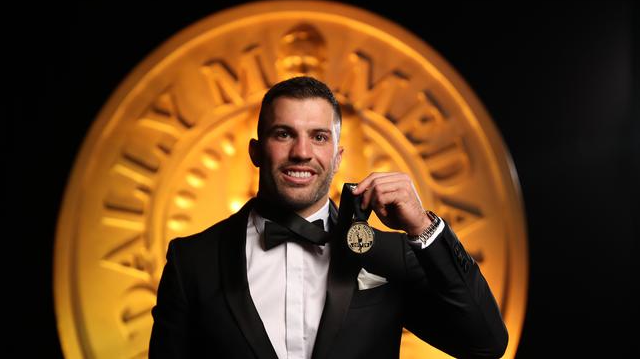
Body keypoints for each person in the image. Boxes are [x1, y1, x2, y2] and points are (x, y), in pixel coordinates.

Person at [149, 76, 508, 358]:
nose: (301, 152)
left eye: (318, 137)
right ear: (256, 152)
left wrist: (423, 227)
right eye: (284, 134)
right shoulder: (191, 261)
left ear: (337, 158)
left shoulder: (390, 255)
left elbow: (485, 344)